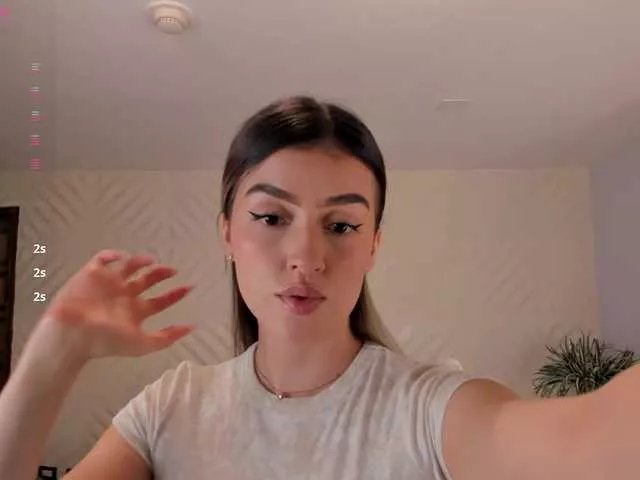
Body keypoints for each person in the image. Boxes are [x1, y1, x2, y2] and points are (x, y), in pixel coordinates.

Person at [0, 96, 637, 480]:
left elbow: (589, 444)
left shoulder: (427, 409)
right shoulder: (171, 406)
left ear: (373, 245)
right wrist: (52, 357)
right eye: (271, 218)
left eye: (341, 226)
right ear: (227, 233)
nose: (306, 257)